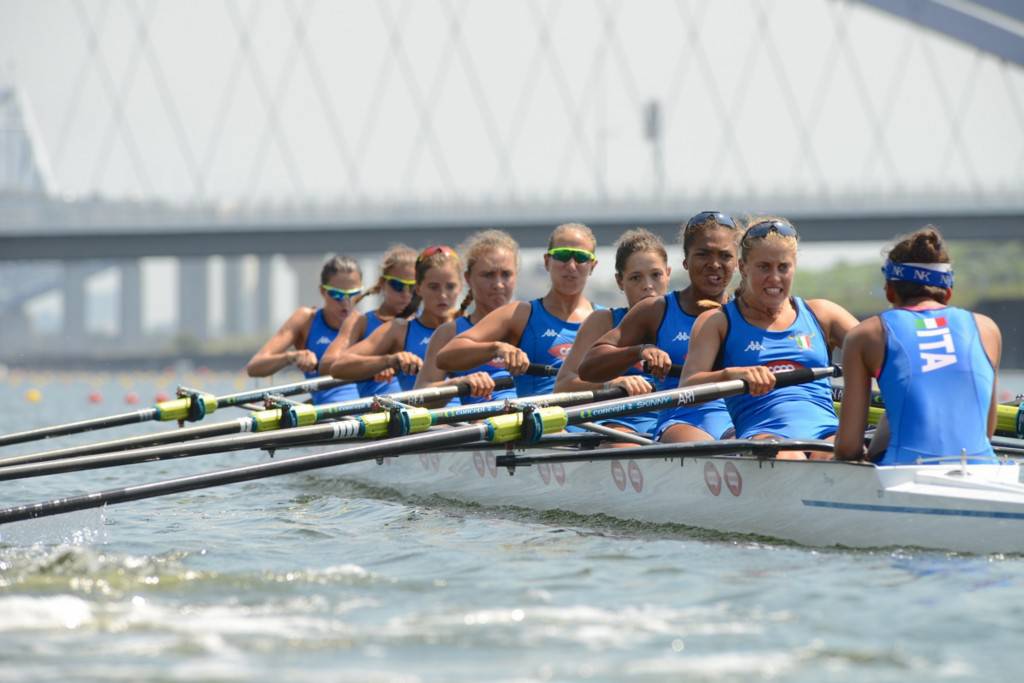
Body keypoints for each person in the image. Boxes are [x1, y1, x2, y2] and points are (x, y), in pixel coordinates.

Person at [681, 218, 859, 459]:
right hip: (763, 436)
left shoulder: (824, 314)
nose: (775, 278)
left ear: (794, 267)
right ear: (743, 268)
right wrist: (732, 374)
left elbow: (881, 353)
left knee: (844, 454)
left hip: (827, 434)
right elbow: (687, 392)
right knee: (790, 457)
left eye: (783, 267)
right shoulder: (717, 322)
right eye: (764, 267)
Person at [835, 226, 1002, 464]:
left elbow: (848, 448)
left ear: (890, 291)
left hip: (905, 471)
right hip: (982, 468)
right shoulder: (988, 329)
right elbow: (986, 431)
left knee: (889, 420)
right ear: (948, 292)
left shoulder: (866, 335)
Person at [578, 212, 740, 442]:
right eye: (703, 254)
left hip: (738, 420)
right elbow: (588, 367)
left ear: (737, 264)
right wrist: (640, 351)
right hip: (683, 420)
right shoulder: (655, 310)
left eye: (724, 256)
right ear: (686, 261)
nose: (714, 264)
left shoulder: (749, 313)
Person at [435, 223, 601, 397]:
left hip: (596, 420)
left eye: (581, 258)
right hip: (546, 420)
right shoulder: (520, 314)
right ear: (547, 261)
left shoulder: (605, 319)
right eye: (562, 255)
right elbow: (446, 356)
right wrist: (497, 348)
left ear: (592, 266)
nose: (571, 266)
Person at [555, 228, 670, 438]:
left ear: (668, 274)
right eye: (636, 278)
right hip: (617, 424)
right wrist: (611, 383)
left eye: (656, 275)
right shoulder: (603, 321)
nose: (648, 286)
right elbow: (562, 388)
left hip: (672, 420)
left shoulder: (690, 320)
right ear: (620, 281)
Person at [327, 245, 463, 393]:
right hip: (416, 412)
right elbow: (338, 366)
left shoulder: (473, 326)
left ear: (461, 287)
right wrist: (388, 361)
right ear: (419, 288)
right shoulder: (398, 329)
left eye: (450, 286)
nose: (443, 295)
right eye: (433, 287)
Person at [415, 230, 520, 405]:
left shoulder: (531, 323)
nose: (498, 284)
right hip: (476, 427)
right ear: (468, 279)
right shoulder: (448, 333)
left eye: (506, 274)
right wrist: (456, 383)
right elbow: (419, 398)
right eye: (488, 275)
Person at [245, 256, 363, 404]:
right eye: (337, 295)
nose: (346, 303)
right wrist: (293, 357)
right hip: (328, 416)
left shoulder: (367, 323)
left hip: (366, 411)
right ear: (322, 291)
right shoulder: (306, 320)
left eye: (353, 295)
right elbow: (255, 367)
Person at [319, 244, 417, 396]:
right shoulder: (360, 321)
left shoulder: (425, 324)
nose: (405, 294)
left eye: (413, 287)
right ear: (383, 283)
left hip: (418, 411)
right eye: (398, 285)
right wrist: (376, 365)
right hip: (375, 412)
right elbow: (327, 365)